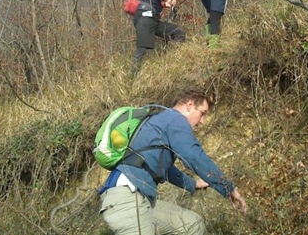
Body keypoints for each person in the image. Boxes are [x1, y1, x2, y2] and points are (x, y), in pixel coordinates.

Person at [98, 89, 248, 235]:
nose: (202, 121)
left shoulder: (162, 122)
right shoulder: (175, 119)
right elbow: (195, 156)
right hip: (127, 198)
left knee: (191, 224)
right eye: (202, 113)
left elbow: (166, 170)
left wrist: (194, 184)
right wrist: (227, 188)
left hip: (140, 199)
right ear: (189, 106)